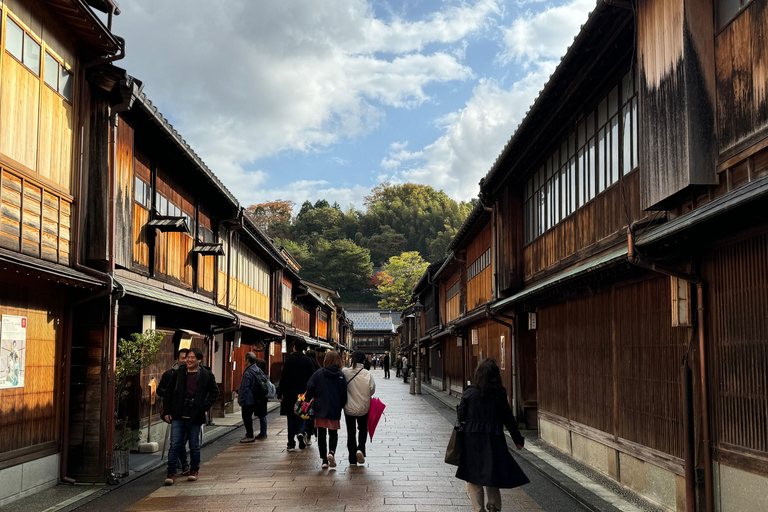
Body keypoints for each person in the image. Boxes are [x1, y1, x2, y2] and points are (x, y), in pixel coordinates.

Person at [456, 359, 529, 512]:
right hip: (493, 438)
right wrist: (518, 440)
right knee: (492, 472)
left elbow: (461, 416)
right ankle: (494, 506)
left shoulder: (470, 392)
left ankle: (479, 509)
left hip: (472, 439)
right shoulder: (499, 394)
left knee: (474, 476)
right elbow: (508, 419)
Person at [162, 347, 219, 485]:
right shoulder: (178, 373)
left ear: (199, 360)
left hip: (195, 415)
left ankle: (194, 470)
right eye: (188, 357)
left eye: (192, 357)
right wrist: (167, 412)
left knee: (194, 445)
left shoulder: (206, 375)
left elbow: (214, 393)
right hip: (178, 414)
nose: (189, 359)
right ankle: (171, 472)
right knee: (175, 444)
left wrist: (203, 406)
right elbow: (168, 393)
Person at [305, 351, 347, 469]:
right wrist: (341, 405)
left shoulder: (318, 374)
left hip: (320, 408)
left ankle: (324, 460)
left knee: (322, 434)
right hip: (334, 408)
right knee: (333, 433)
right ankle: (331, 452)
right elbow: (344, 394)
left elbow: (310, 387)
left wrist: (310, 397)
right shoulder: (340, 375)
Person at [277, 339, 316, 451]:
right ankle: (300, 432)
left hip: (290, 394)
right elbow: (312, 378)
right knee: (302, 414)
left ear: (294, 347)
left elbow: (283, 378)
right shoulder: (308, 361)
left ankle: (291, 443)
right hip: (304, 394)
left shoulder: (289, 360)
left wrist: (280, 394)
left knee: (291, 417)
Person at [156, 348, 190, 473]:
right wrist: (172, 396)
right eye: (182, 358)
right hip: (174, 411)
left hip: (187, 412)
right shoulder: (170, 374)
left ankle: (179, 461)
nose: (185, 360)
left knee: (182, 438)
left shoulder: (191, 375)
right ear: (177, 359)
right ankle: (182, 463)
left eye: (187, 358)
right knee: (178, 439)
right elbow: (160, 390)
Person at [342, 350, 375, 465]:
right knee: (362, 429)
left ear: (352, 359)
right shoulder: (367, 374)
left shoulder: (345, 372)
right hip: (363, 407)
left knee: (351, 432)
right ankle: (360, 448)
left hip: (349, 407)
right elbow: (372, 390)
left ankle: (352, 458)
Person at [238, 352, 269, 442]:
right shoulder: (258, 370)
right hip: (257, 397)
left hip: (248, 398)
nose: (244, 361)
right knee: (259, 415)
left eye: (244, 359)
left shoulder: (248, 372)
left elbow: (244, 387)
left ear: (247, 360)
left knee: (246, 417)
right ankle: (259, 433)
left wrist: (241, 399)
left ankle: (250, 435)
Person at [304, 349, 322, 447]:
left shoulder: (303, 366)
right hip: (315, 395)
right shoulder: (318, 368)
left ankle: (302, 432)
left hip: (304, 394)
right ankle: (309, 436)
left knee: (303, 413)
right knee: (311, 416)